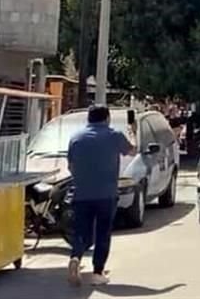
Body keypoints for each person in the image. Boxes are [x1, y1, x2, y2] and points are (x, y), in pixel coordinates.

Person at [66, 105, 136, 286]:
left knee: (82, 231)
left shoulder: (76, 138)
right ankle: (97, 272)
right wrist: (132, 132)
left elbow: (71, 166)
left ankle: (75, 258)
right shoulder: (114, 135)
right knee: (103, 233)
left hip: (81, 193)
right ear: (107, 118)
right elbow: (132, 151)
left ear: (89, 119)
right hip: (106, 194)